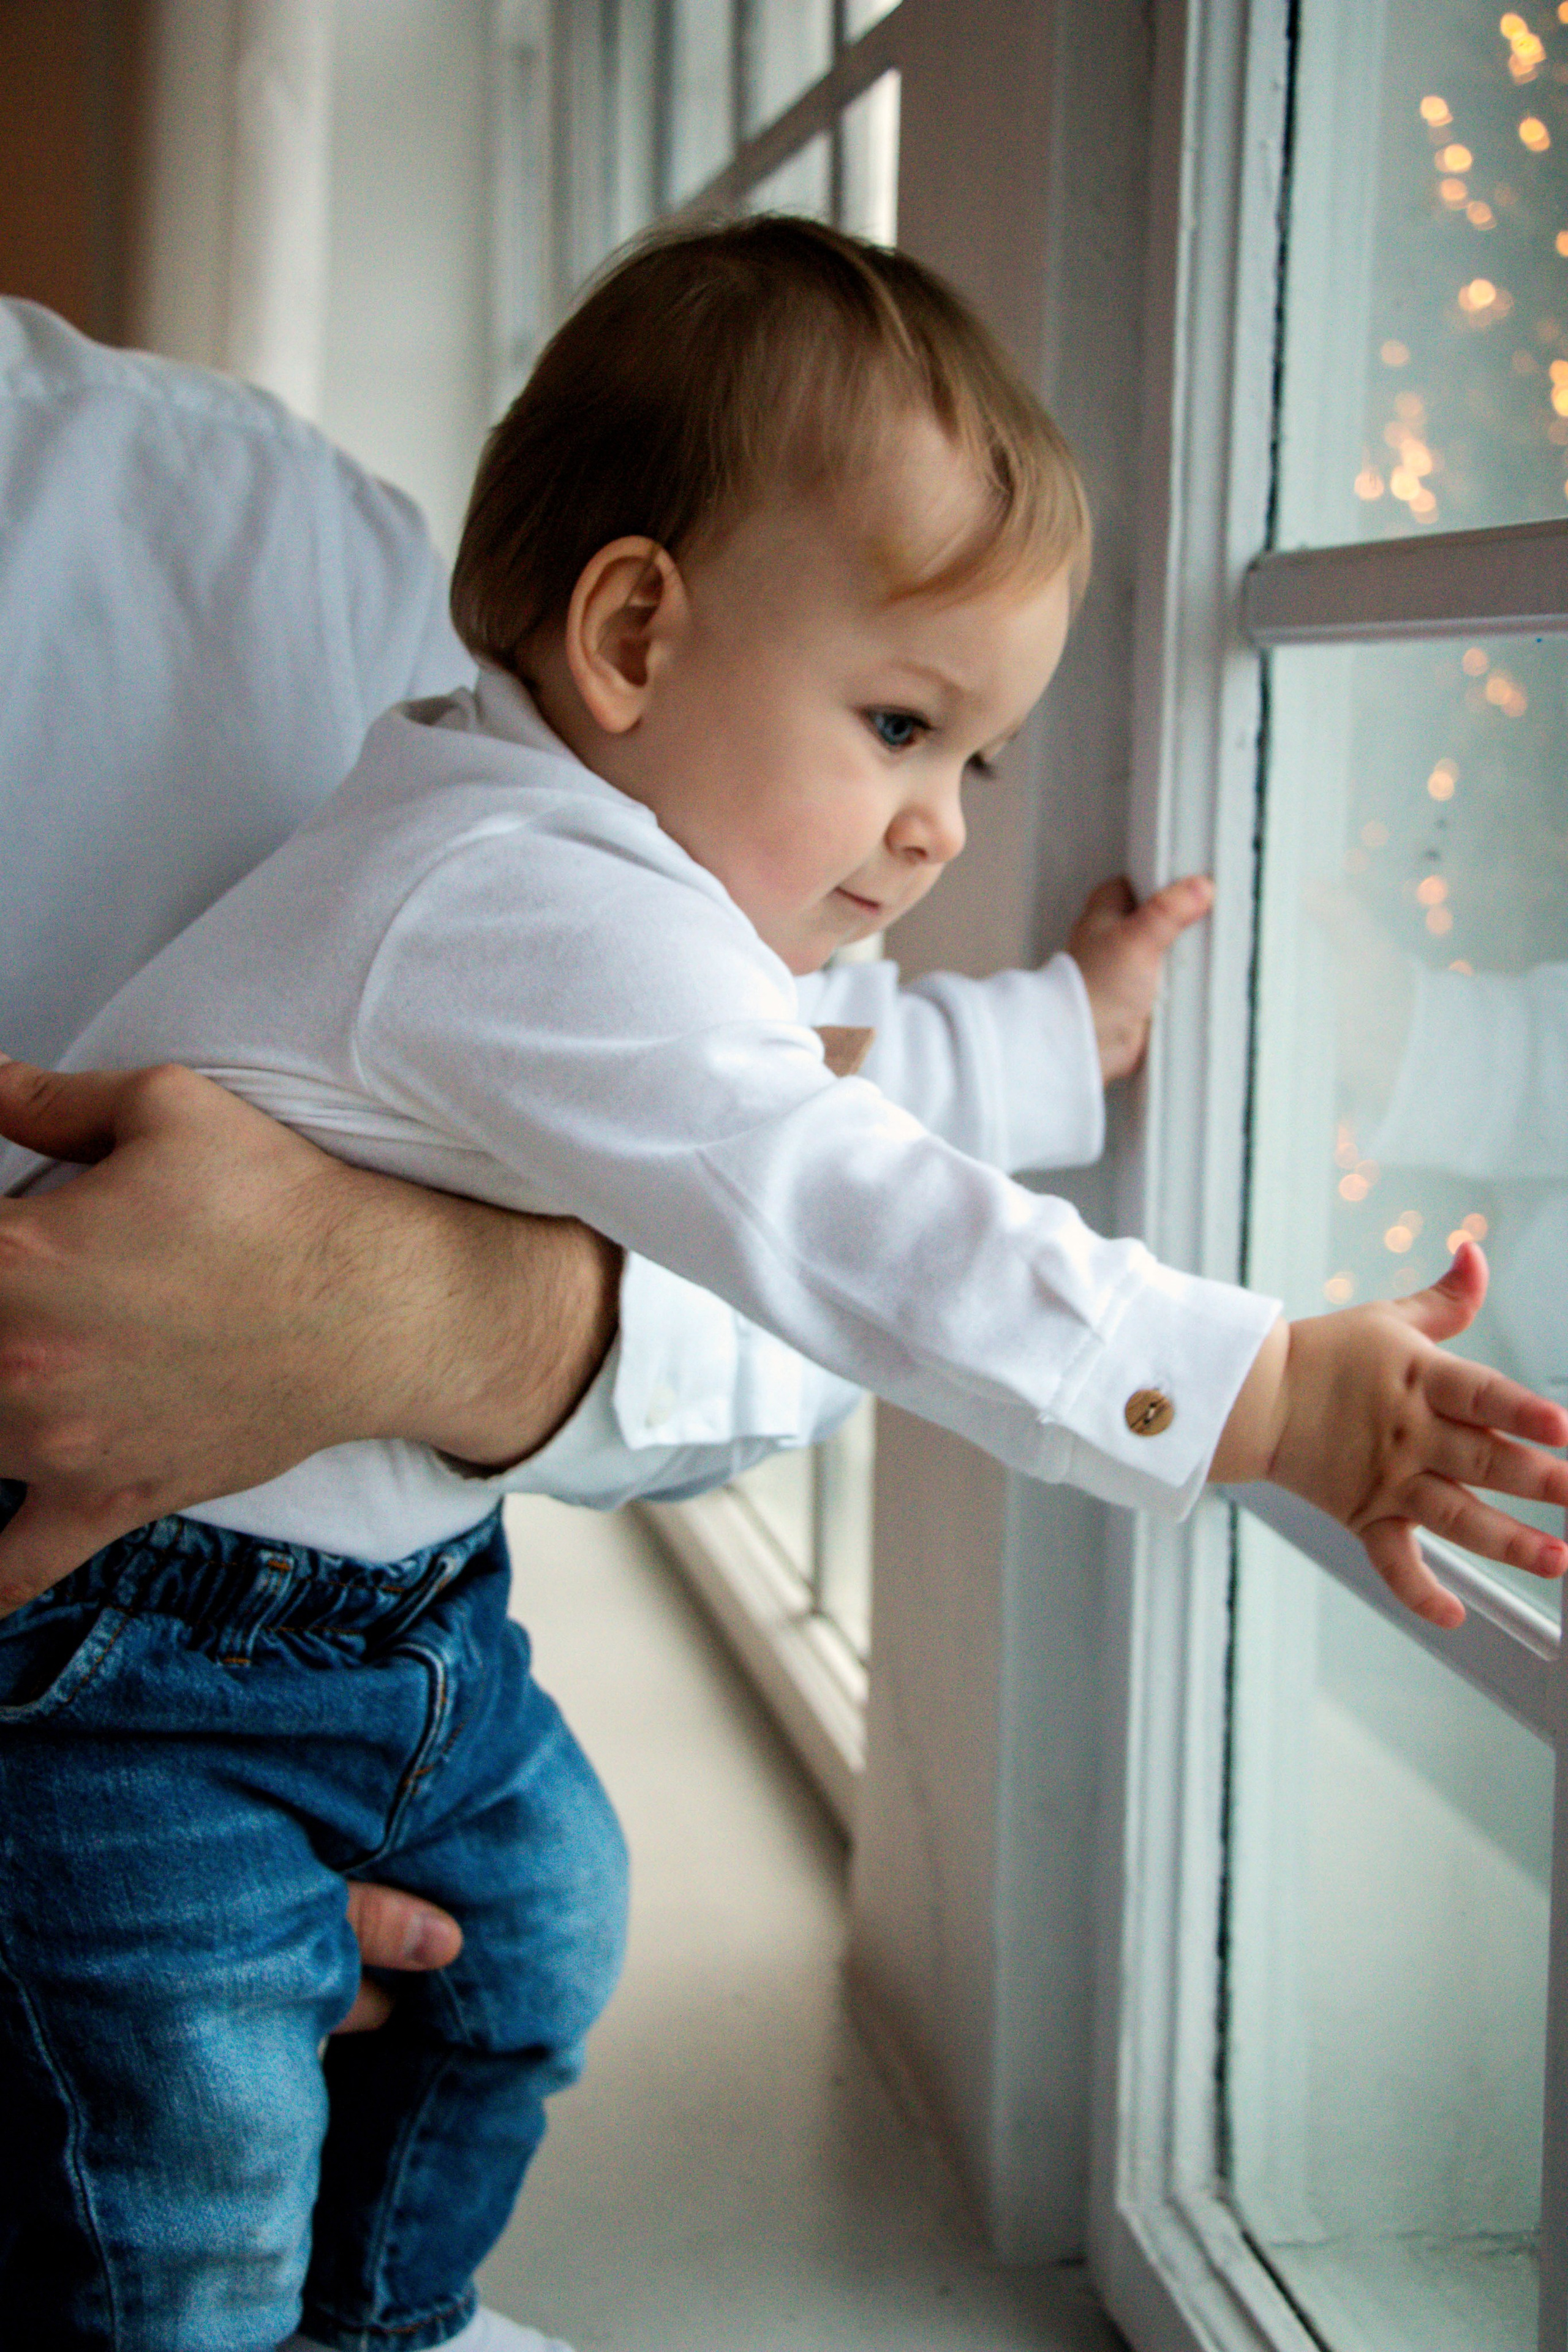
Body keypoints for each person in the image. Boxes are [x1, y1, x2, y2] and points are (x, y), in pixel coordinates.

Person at [7, 218, 1568, 2351]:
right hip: (142, 1676)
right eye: (904, 722)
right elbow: (834, 1198)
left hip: (371, 1632)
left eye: (974, 764)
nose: (934, 828)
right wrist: (1265, 1396)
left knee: (538, 1936)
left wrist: (1053, 1034)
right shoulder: (512, 897)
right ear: (637, 635)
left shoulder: (570, 878)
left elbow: (799, 1088)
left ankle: (379, 2318)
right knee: (176, 2202)